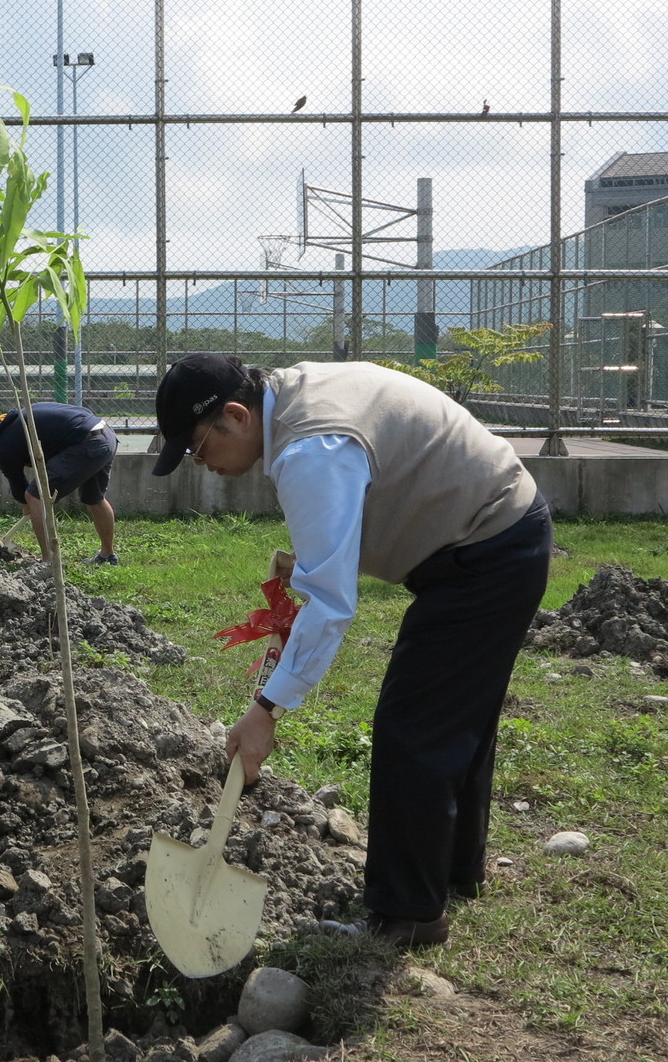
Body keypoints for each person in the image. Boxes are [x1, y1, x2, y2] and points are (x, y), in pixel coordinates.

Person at [152, 353, 552, 948]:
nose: (202, 465)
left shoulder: (311, 447)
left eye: (197, 447)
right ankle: (453, 870)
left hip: (487, 550)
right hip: (496, 533)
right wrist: (309, 564)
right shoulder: (294, 395)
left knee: (413, 727)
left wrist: (266, 710)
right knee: (454, 715)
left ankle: (411, 914)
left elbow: (332, 604)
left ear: (235, 415)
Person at [0, 402, 120, 564]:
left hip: (86, 443)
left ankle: (49, 561)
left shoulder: (3, 444)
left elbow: (18, 485)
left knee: (34, 496)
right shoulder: (17, 420)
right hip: (106, 436)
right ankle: (107, 555)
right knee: (94, 498)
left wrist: (27, 503)